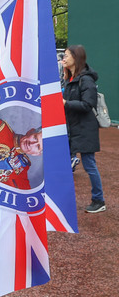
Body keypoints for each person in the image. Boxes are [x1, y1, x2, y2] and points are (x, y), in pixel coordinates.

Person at [62, 45, 106, 213]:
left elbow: (88, 105)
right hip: (73, 128)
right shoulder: (70, 79)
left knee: (89, 165)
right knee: (62, 162)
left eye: (66, 56)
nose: (63, 59)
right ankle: (62, 199)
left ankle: (99, 200)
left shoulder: (85, 80)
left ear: (76, 57)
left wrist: (65, 104)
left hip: (85, 129)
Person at [0, 119, 43, 189]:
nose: (32, 144)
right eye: (35, 138)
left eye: (38, 146)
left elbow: (24, 193)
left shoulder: (23, 165)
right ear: (30, 131)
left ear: (36, 154)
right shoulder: (0, 128)